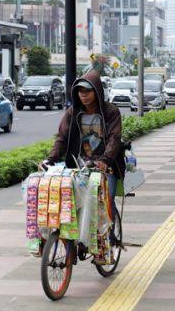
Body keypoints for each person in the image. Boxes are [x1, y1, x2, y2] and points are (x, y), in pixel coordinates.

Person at [41, 70, 125, 244]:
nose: (83, 95)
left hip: (105, 167)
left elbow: (114, 139)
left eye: (87, 91)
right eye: (80, 91)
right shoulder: (73, 112)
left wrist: (105, 160)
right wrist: (50, 159)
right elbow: (62, 137)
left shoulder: (111, 111)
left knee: (104, 200)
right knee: (67, 200)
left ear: (97, 91)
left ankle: (108, 236)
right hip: (77, 166)